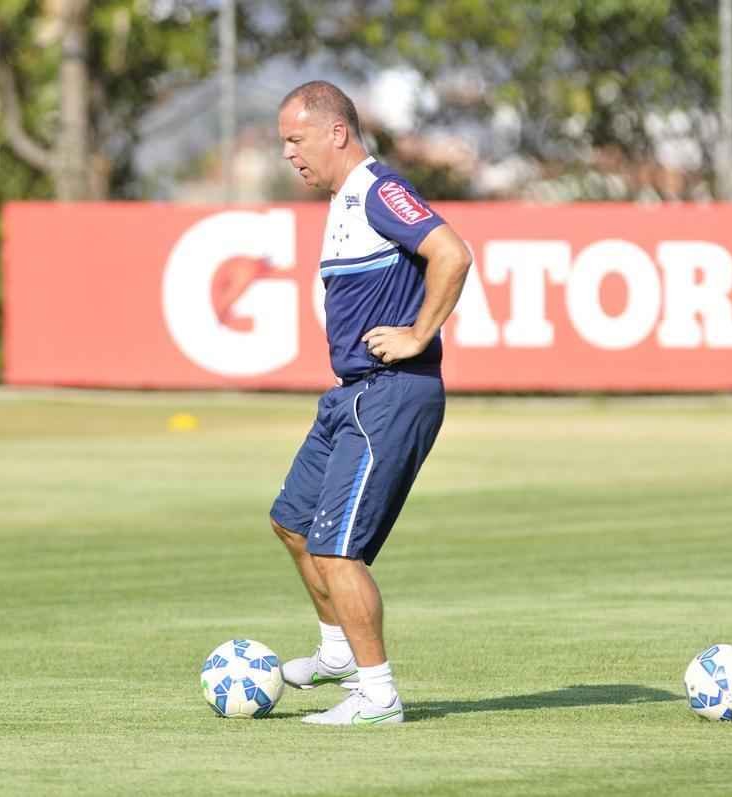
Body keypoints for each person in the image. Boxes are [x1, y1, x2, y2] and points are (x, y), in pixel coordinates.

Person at [270, 80, 472, 725]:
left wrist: (419, 334)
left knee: (337, 551)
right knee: (294, 525)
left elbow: (452, 252)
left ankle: (378, 695)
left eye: (295, 140)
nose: (288, 155)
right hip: (349, 396)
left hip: (389, 395)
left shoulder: (379, 191)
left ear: (336, 132)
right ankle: (336, 652)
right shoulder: (341, 202)